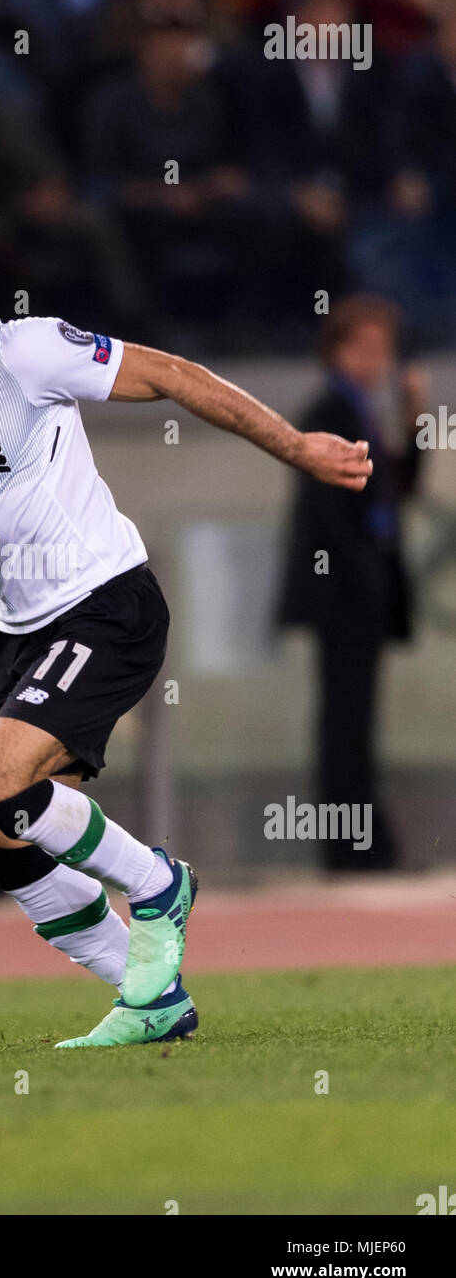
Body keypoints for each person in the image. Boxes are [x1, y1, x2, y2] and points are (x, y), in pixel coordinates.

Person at [0, 184, 372, 1048]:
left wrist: (298, 447)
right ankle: (147, 995)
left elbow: (171, 374)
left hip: (105, 600)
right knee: (5, 838)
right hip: (18, 628)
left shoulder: (22, 350)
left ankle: (159, 885)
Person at [277, 295, 426, 872]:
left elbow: (396, 492)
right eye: (365, 348)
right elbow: (329, 515)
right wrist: (360, 578)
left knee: (355, 721)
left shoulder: (364, 409)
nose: (377, 359)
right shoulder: (331, 409)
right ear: (338, 350)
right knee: (345, 722)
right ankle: (351, 845)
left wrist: (414, 421)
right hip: (344, 598)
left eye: (382, 349)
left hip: (363, 594)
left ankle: (365, 840)